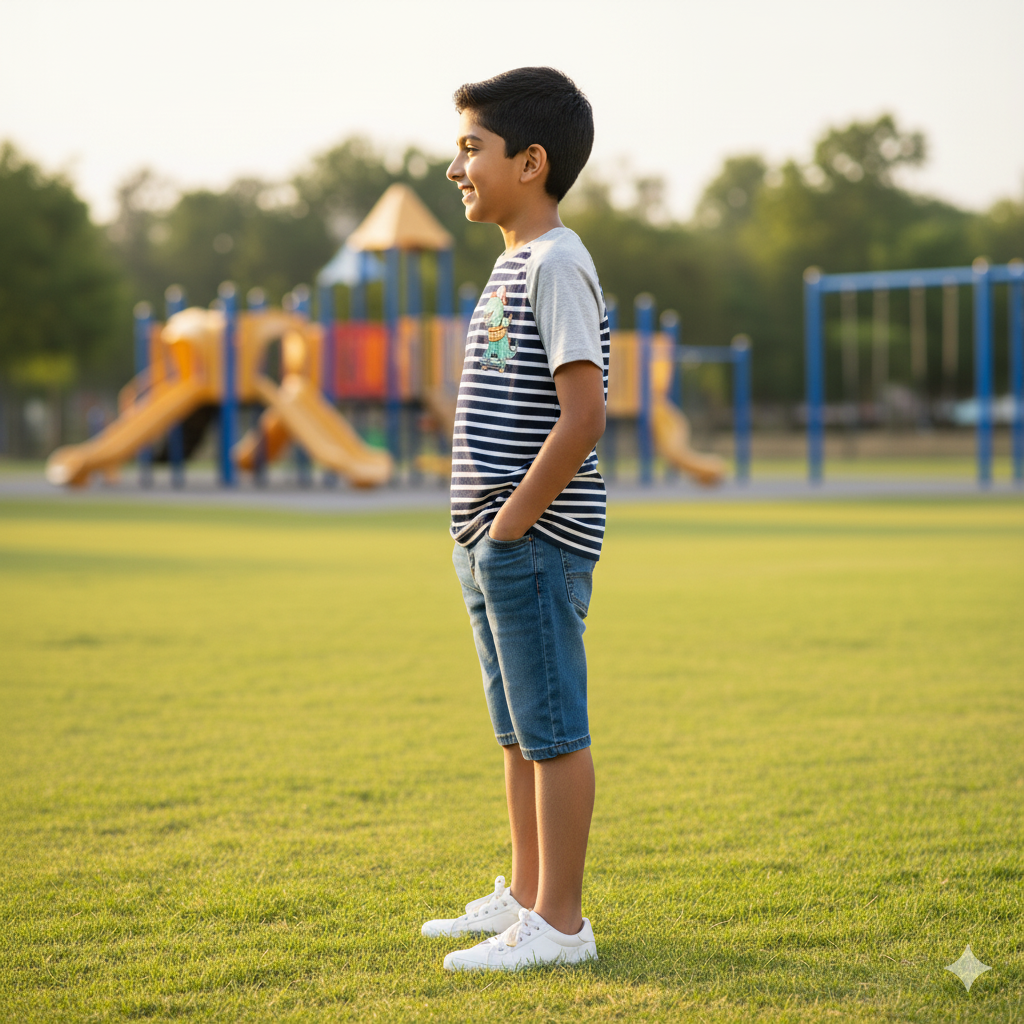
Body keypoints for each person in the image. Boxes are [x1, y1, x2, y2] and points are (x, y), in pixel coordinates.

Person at [420, 67, 610, 972]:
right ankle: (527, 896)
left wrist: (510, 526)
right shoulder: (512, 263)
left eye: (471, 148)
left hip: (527, 540)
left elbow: (585, 414)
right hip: (490, 542)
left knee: (553, 731)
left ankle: (560, 927)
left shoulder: (561, 261)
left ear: (530, 163)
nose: (455, 165)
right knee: (516, 731)